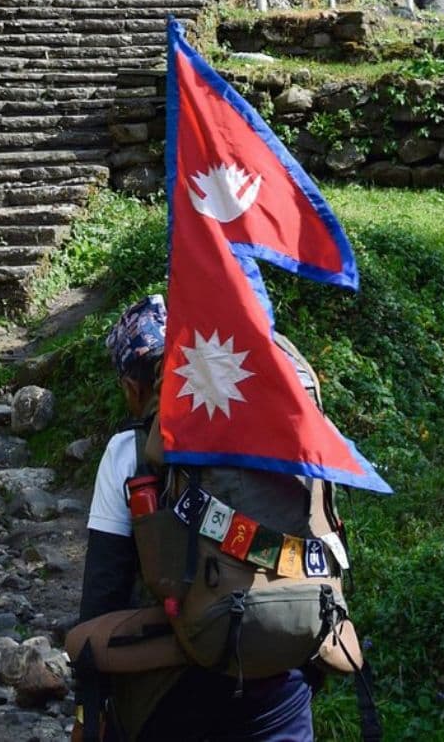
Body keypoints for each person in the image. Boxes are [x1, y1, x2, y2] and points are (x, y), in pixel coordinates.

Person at [75, 295, 316, 742]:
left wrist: (89, 713)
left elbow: (101, 600)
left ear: (132, 385)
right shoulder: (283, 434)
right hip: (280, 682)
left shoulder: (129, 452)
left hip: (172, 694)